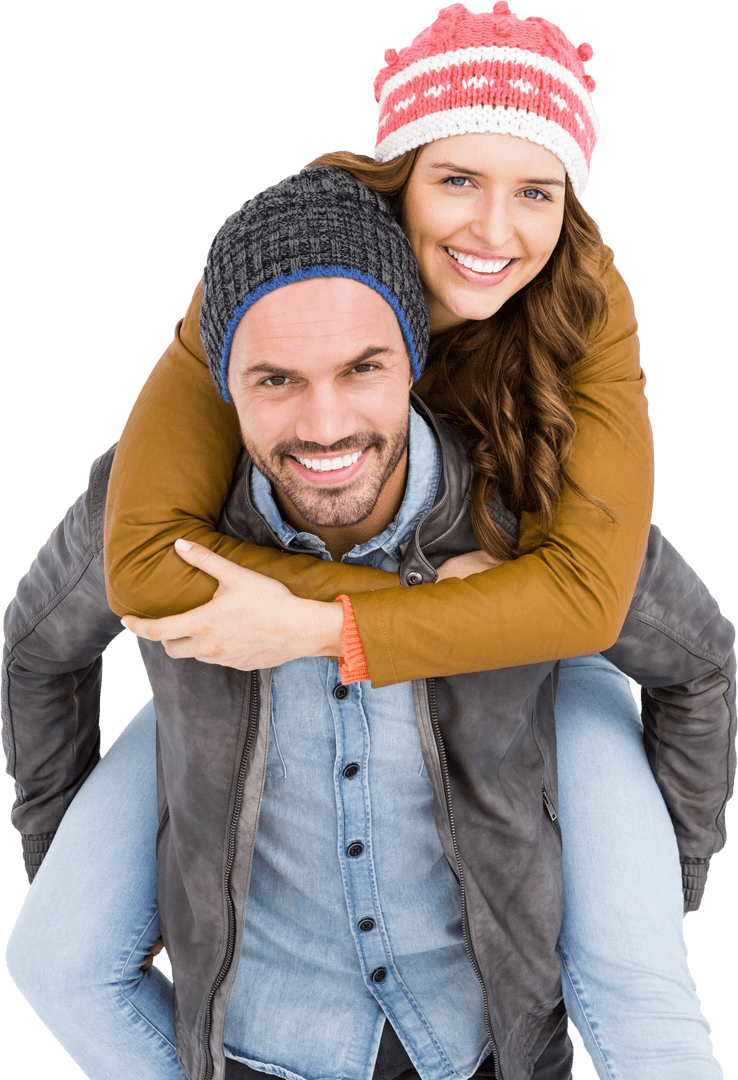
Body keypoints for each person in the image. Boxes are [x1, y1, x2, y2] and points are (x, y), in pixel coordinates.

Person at [95, 7, 729, 1074]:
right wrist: (351, 617)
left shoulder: (584, 297)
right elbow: (142, 560)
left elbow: (587, 602)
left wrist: (329, 624)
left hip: (536, 662)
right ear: (401, 173)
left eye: (536, 190)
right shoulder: (278, 272)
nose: (495, 231)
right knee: (62, 954)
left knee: (635, 971)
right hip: (326, 641)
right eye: (458, 180)